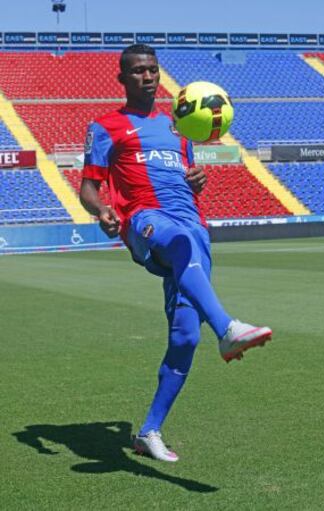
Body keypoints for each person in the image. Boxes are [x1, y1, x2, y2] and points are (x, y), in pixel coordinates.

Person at [80, 44, 272, 463]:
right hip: (146, 222)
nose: (147, 77)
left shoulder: (178, 129)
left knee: (185, 337)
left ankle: (148, 431)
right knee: (178, 243)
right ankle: (227, 328)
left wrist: (196, 179)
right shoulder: (106, 127)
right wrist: (103, 211)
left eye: (152, 70)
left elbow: (186, 179)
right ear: (122, 79)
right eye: (137, 72)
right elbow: (89, 188)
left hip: (193, 228)